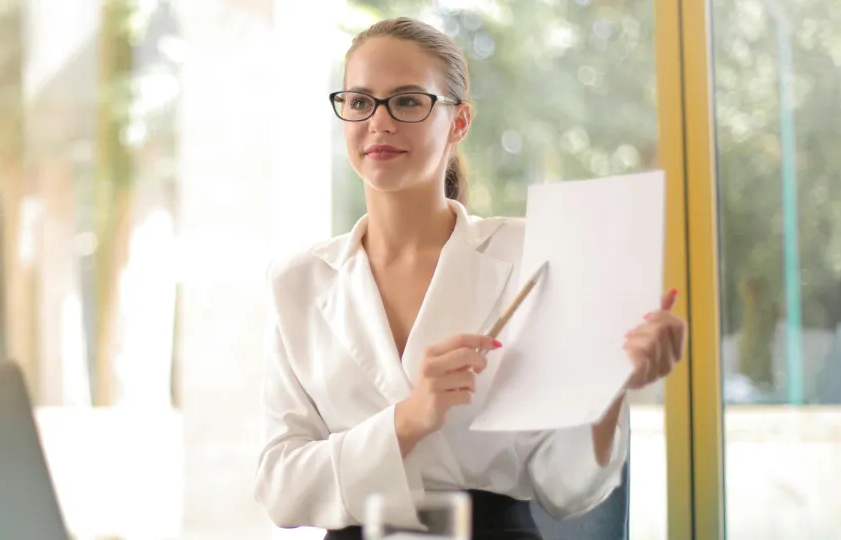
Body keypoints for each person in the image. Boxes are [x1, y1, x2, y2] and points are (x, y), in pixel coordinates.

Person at [253, 17, 686, 540]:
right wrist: (407, 421)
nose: (379, 122)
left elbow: (567, 488)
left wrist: (608, 386)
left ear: (459, 123)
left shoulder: (534, 257)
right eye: (360, 101)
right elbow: (281, 488)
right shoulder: (299, 282)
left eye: (409, 101)